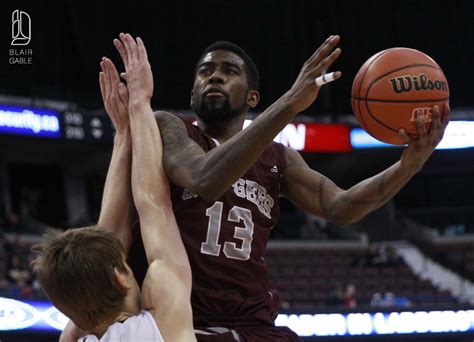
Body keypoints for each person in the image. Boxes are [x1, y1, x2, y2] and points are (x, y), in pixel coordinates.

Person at [118, 33, 449, 341]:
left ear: (253, 97)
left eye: (229, 71)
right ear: (192, 94)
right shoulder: (168, 128)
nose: (214, 77)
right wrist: (290, 102)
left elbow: (342, 207)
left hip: (252, 323)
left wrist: (410, 164)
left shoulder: (278, 159)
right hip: (181, 321)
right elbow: (205, 178)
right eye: (205, 71)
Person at [31, 35, 195, 341]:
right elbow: (154, 205)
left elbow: (107, 239)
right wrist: (139, 105)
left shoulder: (72, 338)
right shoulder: (160, 325)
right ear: (121, 277)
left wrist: (123, 135)